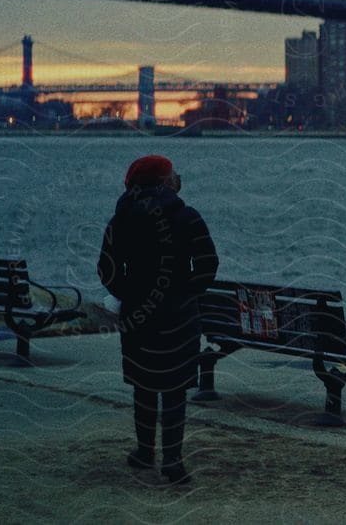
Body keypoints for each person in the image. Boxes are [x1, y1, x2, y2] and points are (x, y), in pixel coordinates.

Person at [96, 154, 218, 485]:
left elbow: (106, 269)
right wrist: (185, 292)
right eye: (175, 174)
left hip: (138, 316)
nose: (179, 179)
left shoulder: (120, 219)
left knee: (144, 383)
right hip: (179, 317)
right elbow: (208, 263)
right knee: (175, 388)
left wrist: (131, 293)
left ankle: (144, 451)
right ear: (165, 181)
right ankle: (173, 461)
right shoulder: (188, 217)